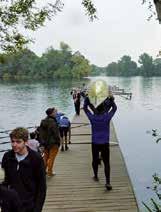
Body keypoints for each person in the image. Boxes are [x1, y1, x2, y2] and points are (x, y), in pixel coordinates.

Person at [1, 127, 46, 212]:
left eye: (18, 142)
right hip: (9, 206)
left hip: (28, 205)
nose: (14, 144)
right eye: (12, 141)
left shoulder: (36, 158)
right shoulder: (7, 156)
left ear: (26, 142)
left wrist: (37, 209)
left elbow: (42, 187)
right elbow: (5, 181)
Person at [83, 96, 117, 191]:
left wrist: (87, 99)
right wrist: (111, 100)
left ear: (95, 109)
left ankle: (96, 176)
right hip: (105, 143)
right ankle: (108, 182)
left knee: (94, 159)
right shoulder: (107, 117)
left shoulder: (93, 118)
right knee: (106, 162)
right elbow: (114, 108)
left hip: (95, 142)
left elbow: (85, 109)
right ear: (104, 109)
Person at [39, 107, 61, 176]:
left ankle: (43, 171)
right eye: (55, 112)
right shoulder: (53, 122)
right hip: (53, 143)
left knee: (45, 157)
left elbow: (41, 133)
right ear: (51, 113)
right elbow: (56, 134)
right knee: (51, 158)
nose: (56, 113)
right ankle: (50, 172)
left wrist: (42, 142)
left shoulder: (43, 121)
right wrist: (58, 142)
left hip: (45, 143)